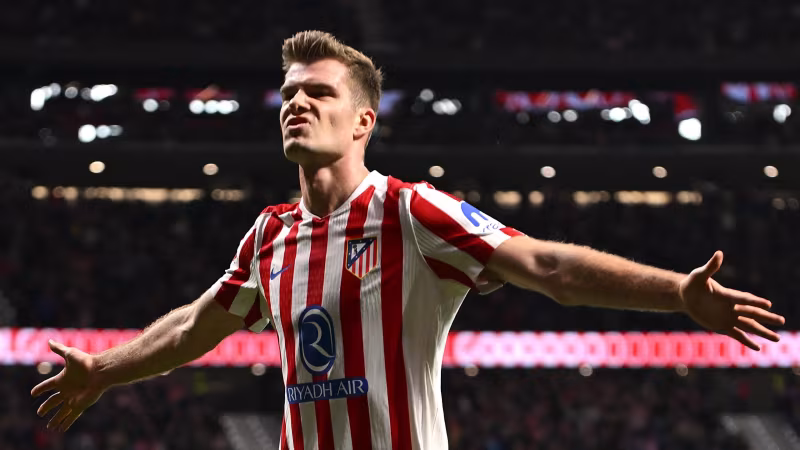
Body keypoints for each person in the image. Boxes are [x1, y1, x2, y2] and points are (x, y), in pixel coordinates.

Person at [32, 30, 786, 449]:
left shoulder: (410, 210)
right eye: (289, 93)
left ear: (364, 120)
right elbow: (194, 327)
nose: (297, 103)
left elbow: (548, 265)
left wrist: (677, 293)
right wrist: (104, 369)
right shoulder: (269, 235)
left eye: (319, 92)